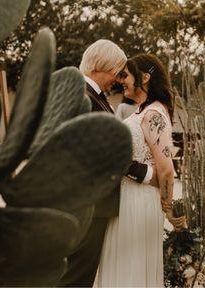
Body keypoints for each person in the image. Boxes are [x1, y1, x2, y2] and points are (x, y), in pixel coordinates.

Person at [59, 40, 156, 287]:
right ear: (103, 66)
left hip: (90, 205)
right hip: (88, 206)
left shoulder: (92, 96)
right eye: (117, 71)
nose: (118, 78)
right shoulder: (84, 98)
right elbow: (104, 152)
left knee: (79, 274)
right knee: (77, 276)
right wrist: (146, 173)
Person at [94, 54, 187, 287]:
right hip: (125, 199)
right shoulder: (140, 112)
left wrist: (168, 210)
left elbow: (166, 169)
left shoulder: (154, 114)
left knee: (131, 270)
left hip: (139, 202)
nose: (120, 80)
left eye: (125, 75)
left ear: (144, 78)